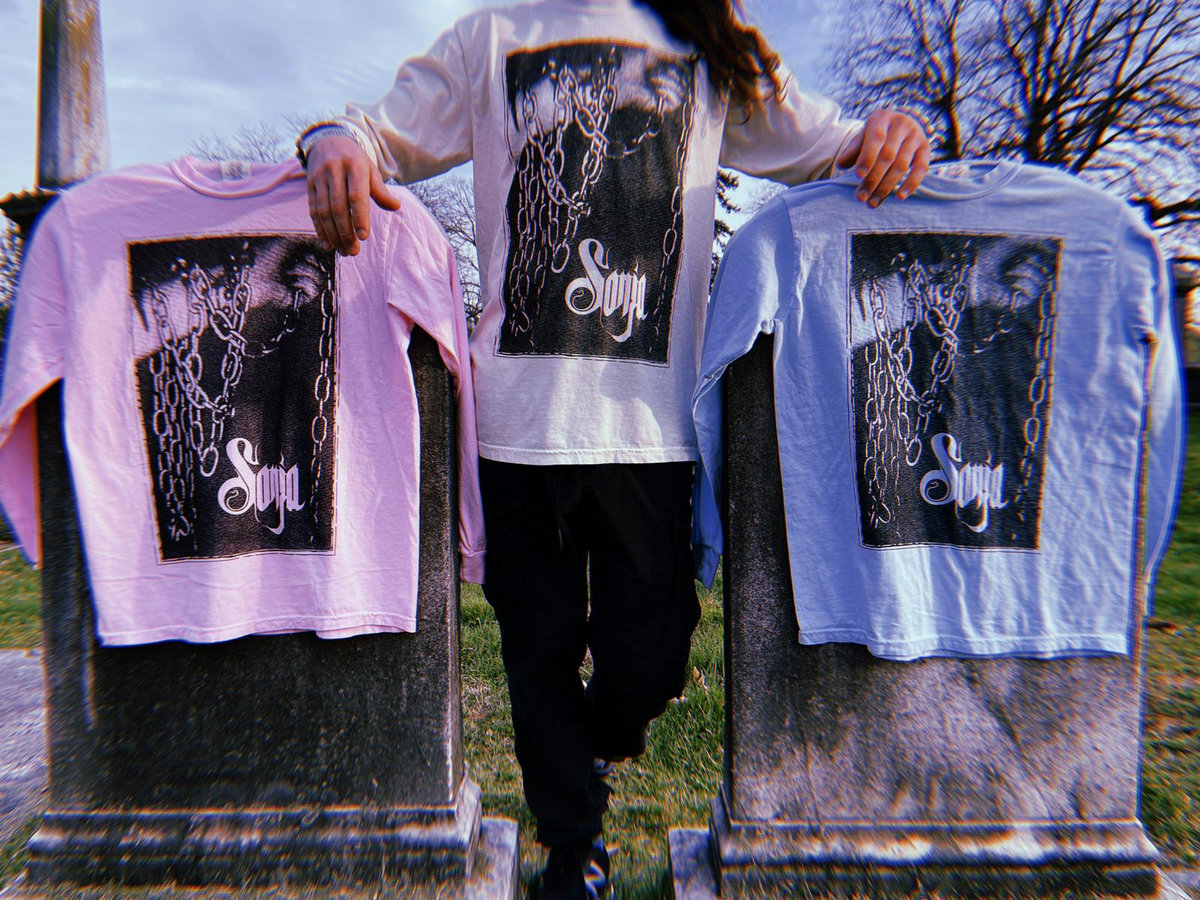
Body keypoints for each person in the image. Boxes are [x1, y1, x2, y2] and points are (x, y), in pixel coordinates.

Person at [299, 1, 929, 895]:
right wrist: (330, 140)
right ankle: (573, 847)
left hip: (649, 430)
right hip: (518, 428)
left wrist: (886, 133)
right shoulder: (492, 37)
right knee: (539, 655)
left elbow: (827, 140)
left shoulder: (703, 38)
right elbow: (378, 134)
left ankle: (587, 747)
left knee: (652, 657)